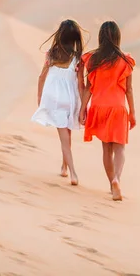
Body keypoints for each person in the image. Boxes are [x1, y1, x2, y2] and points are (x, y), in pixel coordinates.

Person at [79, 21, 136, 201]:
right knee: (119, 148)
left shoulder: (93, 59)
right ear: (118, 37)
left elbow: (89, 87)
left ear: (101, 37)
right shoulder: (126, 60)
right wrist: (132, 112)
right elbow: (128, 89)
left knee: (106, 149)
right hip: (118, 108)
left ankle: (111, 183)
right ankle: (117, 179)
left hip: (99, 107)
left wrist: (82, 109)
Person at [32, 19, 85, 186]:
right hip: (70, 99)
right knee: (66, 134)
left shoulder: (51, 54)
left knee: (64, 136)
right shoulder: (77, 58)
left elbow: (42, 77)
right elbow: (80, 83)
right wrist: (83, 105)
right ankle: (65, 167)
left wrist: (40, 98)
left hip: (54, 99)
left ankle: (72, 172)